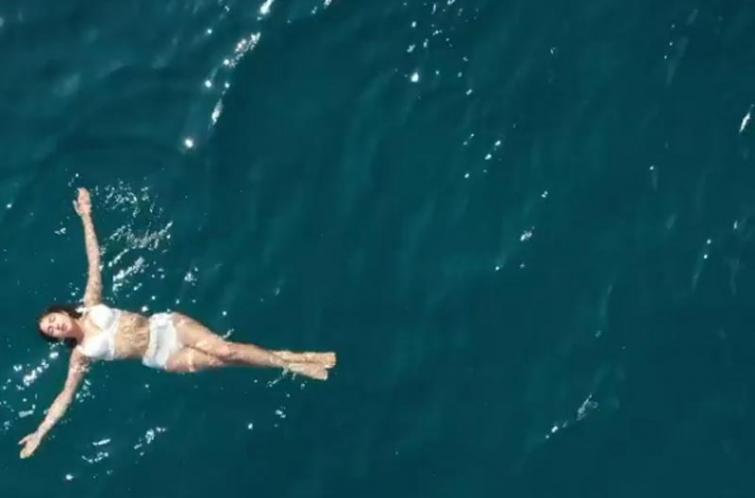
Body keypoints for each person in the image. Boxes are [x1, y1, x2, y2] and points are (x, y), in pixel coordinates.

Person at [19, 188, 336, 458]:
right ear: (57, 339)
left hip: (166, 327)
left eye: (52, 320)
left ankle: (292, 363)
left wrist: (86, 216)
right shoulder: (81, 354)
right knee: (224, 361)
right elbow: (65, 396)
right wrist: (40, 431)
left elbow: (94, 260)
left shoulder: (91, 304)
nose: (55, 326)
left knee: (226, 350)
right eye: (51, 331)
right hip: (162, 357)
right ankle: (287, 359)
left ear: (61, 312)